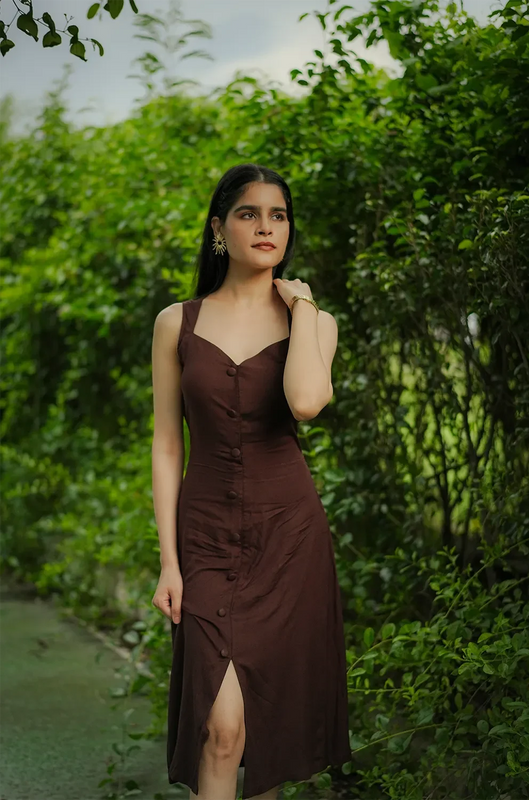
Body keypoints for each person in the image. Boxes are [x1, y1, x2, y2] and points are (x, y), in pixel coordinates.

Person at [151, 162, 352, 800]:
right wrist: (168, 562)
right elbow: (165, 444)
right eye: (248, 213)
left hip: (289, 539)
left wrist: (305, 306)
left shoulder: (312, 322)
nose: (266, 227)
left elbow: (307, 402)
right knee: (222, 727)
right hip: (206, 537)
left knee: (263, 734)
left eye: (279, 215)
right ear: (219, 229)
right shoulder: (175, 322)